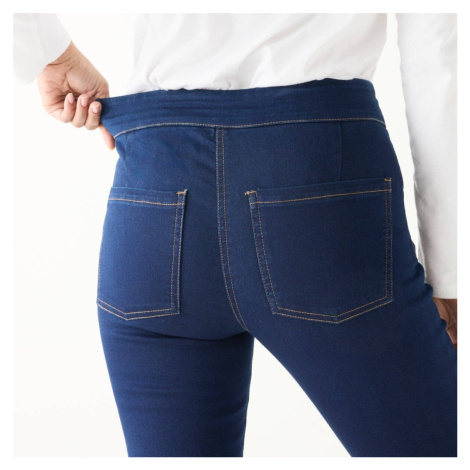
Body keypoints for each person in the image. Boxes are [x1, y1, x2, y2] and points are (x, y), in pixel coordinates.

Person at [13, 13, 457, 457]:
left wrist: (50, 54)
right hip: (317, 189)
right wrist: (452, 271)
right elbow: (438, 50)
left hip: (154, 196)